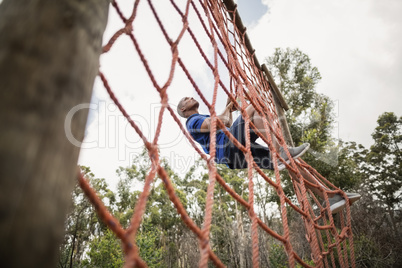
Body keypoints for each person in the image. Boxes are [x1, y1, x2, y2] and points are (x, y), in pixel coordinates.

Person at [177, 96, 360, 214]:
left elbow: (225, 124)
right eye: (186, 99)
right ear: (183, 110)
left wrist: (229, 108)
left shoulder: (200, 120)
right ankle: (279, 152)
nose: (190, 97)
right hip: (230, 147)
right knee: (256, 106)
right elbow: (221, 122)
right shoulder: (193, 121)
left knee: (290, 162)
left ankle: (328, 198)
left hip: (234, 154)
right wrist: (227, 111)